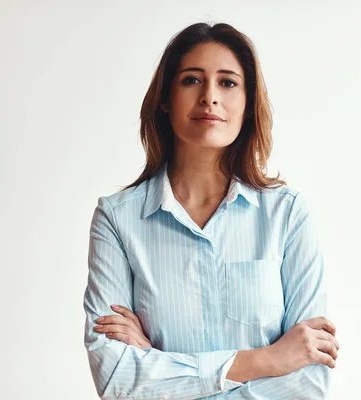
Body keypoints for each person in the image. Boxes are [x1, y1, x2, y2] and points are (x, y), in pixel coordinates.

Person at [82, 22, 340, 400]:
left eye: (228, 82)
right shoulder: (118, 220)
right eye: (191, 80)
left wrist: (157, 363)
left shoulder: (288, 215)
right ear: (166, 98)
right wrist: (266, 359)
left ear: (249, 104)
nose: (209, 97)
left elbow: (310, 381)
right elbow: (117, 378)